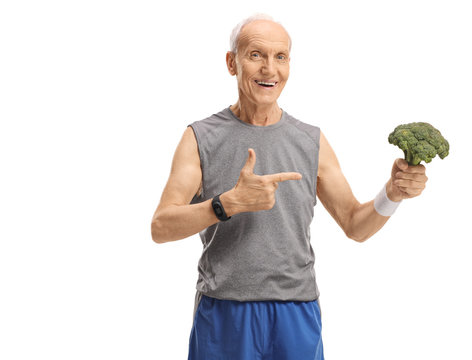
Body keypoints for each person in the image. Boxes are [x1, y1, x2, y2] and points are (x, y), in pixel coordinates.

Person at [151, 13, 428, 360]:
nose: (270, 69)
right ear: (231, 63)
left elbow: (356, 225)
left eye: (280, 57)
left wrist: (393, 194)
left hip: (296, 312)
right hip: (224, 312)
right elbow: (161, 227)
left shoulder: (310, 141)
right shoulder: (199, 138)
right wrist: (227, 204)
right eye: (256, 55)